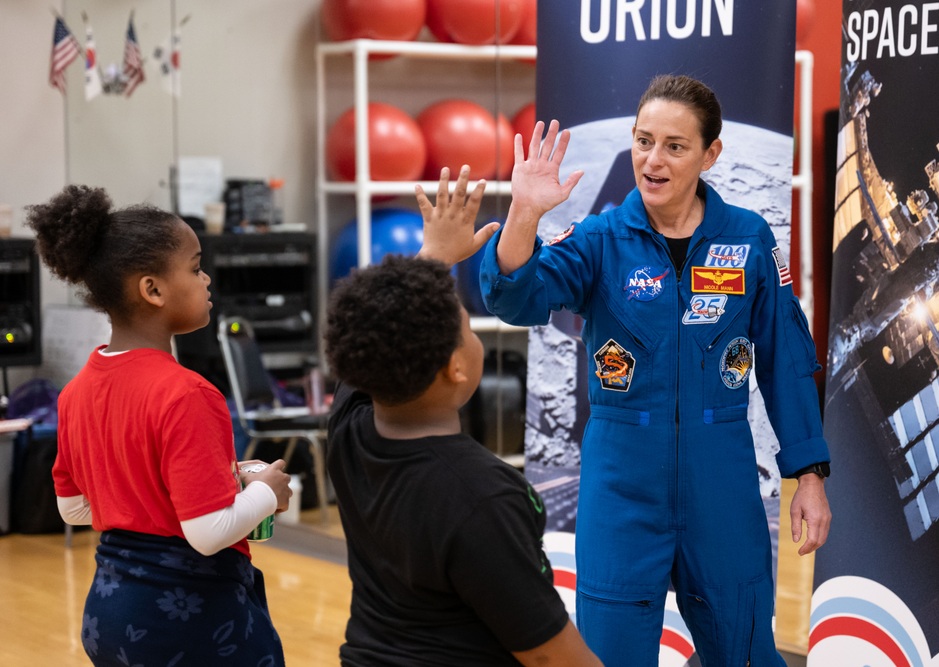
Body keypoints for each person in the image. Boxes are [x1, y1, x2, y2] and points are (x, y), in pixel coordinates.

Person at [480, 75, 832, 667]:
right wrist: (523, 213)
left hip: (721, 480)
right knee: (611, 653)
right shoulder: (600, 239)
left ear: (710, 154)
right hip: (621, 483)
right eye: (643, 141)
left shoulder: (747, 238)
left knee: (743, 651)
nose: (653, 159)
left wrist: (810, 476)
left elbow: (785, 359)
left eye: (675, 145)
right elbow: (515, 297)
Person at [324, 166, 604, 667]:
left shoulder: (348, 425)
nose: (475, 337)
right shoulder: (482, 494)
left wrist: (435, 255)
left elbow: (371, 334)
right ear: (456, 366)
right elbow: (548, 655)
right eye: (469, 330)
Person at [29, 185, 293, 666]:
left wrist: (163, 494)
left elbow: (74, 509)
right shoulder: (188, 394)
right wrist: (267, 492)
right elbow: (209, 533)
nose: (207, 279)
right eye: (195, 268)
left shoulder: (74, 393)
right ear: (151, 289)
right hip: (188, 624)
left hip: (109, 616)